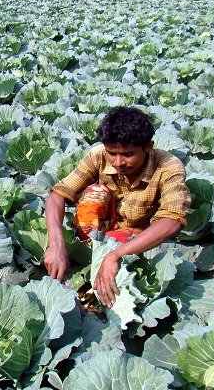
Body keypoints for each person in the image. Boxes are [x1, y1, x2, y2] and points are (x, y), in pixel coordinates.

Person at [44, 106, 191, 308]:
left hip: (137, 237)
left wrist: (115, 255)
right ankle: (90, 254)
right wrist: (56, 244)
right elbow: (57, 196)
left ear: (148, 146)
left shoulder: (168, 166)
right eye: (112, 153)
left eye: (128, 154)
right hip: (103, 230)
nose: (118, 162)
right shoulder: (98, 155)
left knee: (96, 298)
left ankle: (97, 288)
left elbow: (173, 220)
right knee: (95, 195)